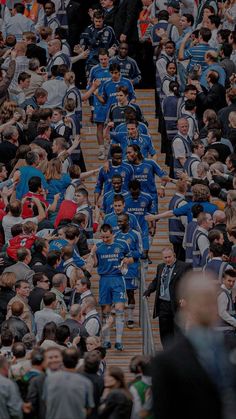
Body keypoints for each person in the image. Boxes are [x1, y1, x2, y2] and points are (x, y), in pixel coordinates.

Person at [152, 272, 235, 419]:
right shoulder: (166, 361)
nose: (209, 307)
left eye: (212, 300)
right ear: (186, 304)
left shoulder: (231, 347)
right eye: (202, 301)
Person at [90, 224, 134, 350]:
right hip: (104, 279)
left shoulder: (122, 244)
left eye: (107, 237)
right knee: (105, 311)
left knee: (120, 309)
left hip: (117, 279)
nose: (104, 239)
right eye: (102, 237)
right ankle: (107, 340)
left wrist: (126, 261)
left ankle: (119, 341)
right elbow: (95, 265)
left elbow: (131, 258)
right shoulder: (98, 246)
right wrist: (92, 254)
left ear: (112, 234)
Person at [143, 247, 191, 349]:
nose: (167, 259)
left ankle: (178, 352)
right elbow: (156, 281)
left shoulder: (184, 266)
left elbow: (188, 284)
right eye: (165, 257)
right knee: (164, 332)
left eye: (169, 257)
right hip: (163, 304)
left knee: (178, 332)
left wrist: (185, 298)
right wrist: (149, 290)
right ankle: (167, 351)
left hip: (177, 304)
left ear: (174, 255)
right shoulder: (160, 267)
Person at [43, 347, 94, 419]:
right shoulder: (86, 382)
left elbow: (46, 402)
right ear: (77, 361)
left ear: (62, 360)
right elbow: (89, 408)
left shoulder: (49, 379)